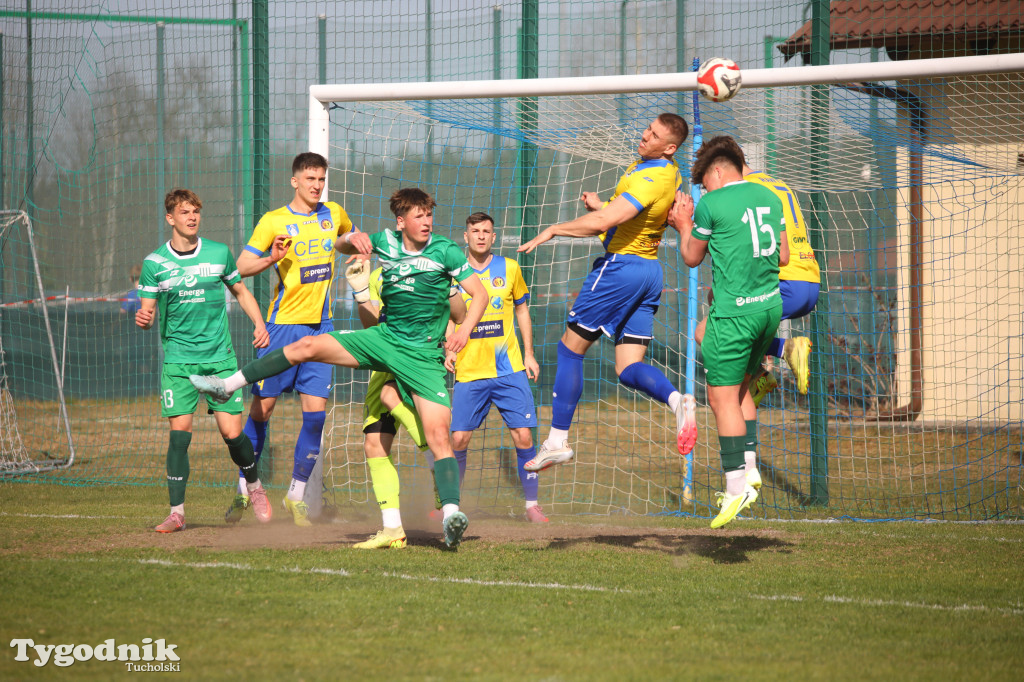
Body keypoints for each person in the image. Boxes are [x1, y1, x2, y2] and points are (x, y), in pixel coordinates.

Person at [191, 187, 490, 548]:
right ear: (401, 221)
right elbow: (341, 245)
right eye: (419, 215)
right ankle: (228, 384)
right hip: (384, 338)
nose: (426, 221)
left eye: (429, 215)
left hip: (423, 356)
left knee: (439, 436)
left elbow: (481, 296)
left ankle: (451, 516)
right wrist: (352, 238)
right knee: (305, 346)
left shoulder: (446, 250)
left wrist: (462, 333)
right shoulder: (385, 242)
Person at [517, 112, 697, 471]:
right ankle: (679, 401)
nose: (645, 135)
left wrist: (554, 229)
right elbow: (636, 213)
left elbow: (603, 224)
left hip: (621, 270)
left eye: (655, 134)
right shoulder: (668, 170)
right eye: (648, 128)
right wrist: (605, 205)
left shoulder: (651, 177)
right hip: (649, 272)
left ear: (670, 147)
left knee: (569, 349)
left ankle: (557, 442)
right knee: (628, 366)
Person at [225, 152, 354, 527]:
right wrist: (272, 258)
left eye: (321, 178)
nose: (317, 185)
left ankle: (295, 496)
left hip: (322, 329)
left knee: (315, 416)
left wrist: (355, 242)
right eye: (310, 178)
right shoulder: (274, 221)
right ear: (295, 181)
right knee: (262, 411)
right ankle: (244, 487)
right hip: (282, 328)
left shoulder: (333, 212)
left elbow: (342, 238)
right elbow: (241, 266)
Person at [135, 188, 272, 533]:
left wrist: (259, 323)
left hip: (219, 360)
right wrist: (145, 316)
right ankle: (177, 513)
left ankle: (254, 486)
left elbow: (241, 291)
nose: (192, 217)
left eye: (195, 211)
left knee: (232, 434)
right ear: (170, 218)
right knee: (179, 435)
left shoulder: (219, 253)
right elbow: (147, 308)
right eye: (184, 212)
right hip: (179, 363)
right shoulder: (154, 264)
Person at [668, 135, 788, 529]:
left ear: (717, 172)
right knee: (741, 390)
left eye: (703, 183)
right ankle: (750, 469)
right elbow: (783, 255)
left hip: (734, 315)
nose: (702, 189)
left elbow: (690, 257)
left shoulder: (712, 204)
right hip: (770, 308)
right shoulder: (770, 196)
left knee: (721, 399)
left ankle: (735, 486)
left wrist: (684, 224)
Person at [342, 257, 466, 549]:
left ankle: (437, 467)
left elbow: (451, 314)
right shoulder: (379, 275)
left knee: (392, 396)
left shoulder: (434, 267)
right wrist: (360, 294)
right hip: (384, 359)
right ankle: (393, 530)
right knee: (374, 443)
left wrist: (450, 346)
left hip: (419, 361)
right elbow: (372, 323)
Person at [446, 212, 547, 523]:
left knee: (524, 437)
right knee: (458, 439)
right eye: (474, 230)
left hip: (508, 370)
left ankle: (531, 505)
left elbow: (522, 310)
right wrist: (448, 347)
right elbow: (447, 314)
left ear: (494, 237)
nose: (480, 235)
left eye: (486, 231)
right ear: (465, 236)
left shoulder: (510, 268)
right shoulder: (452, 275)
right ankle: (450, 506)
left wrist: (529, 354)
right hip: (469, 370)